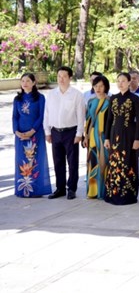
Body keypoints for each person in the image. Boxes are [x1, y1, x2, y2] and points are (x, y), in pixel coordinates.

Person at [44, 66, 85, 200]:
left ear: (70, 78)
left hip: (71, 132)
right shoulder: (51, 94)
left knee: (72, 162)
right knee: (58, 161)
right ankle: (60, 188)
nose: (61, 79)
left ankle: (71, 188)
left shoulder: (76, 94)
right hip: (55, 132)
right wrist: (47, 132)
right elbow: (47, 114)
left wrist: (79, 133)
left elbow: (80, 115)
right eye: (59, 76)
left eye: (64, 76)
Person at [104, 73, 139, 205]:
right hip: (114, 134)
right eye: (118, 81)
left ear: (128, 82)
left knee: (128, 162)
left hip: (129, 134)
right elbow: (109, 119)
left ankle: (128, 195)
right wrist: (106, 138)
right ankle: (113, 193)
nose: (120, 83)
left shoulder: (135, 99)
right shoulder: (113, 98)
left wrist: (137, 139)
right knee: (114, 163)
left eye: (123, 81)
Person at [13, 73, 51, 198]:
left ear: (34, 83)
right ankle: (22, 190)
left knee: (34, 160)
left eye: (28, 81)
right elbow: (15, 117)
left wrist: (32, 131)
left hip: (35, 134)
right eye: (22, 80)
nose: (25, 83)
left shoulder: (40, 98)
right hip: (20, 135)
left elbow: (41, 116)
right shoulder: (17, 99)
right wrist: (16, 131)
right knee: (22, 161)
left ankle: (36, 189)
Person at [83, 75, 110, 199]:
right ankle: (93, 191)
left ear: (106, 87)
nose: (98, 88)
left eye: (101, 86)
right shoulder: (90, 102)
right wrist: (85, 137)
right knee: (92, 161)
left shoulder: (110, 101)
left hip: (104, 137)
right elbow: (88, 120)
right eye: (95, 86)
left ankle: (103, 191)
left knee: (104, 161)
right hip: (92, 136)